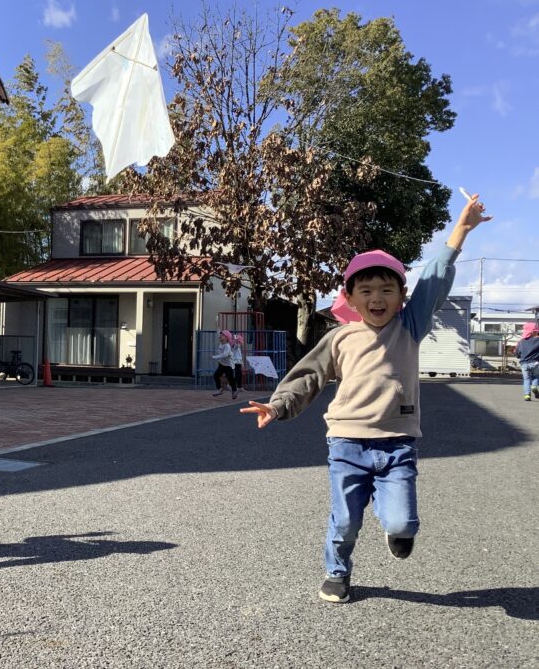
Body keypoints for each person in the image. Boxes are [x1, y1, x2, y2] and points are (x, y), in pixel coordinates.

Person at [241, 195, 491, 603]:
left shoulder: (409, 326)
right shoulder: (340, 337)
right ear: (351, 298)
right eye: (367, 290)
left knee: (403, 522)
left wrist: (460, 230)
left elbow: (434, 280)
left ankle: (397, 530)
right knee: (345, 521)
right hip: (347, 443)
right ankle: (337, 573)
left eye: (387, 290)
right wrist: (277, 405)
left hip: (398, 443)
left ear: (401, 296)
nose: (377, 298)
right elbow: (309, 375)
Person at [515, 322, 539, 402]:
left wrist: (519, 356)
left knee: (526, 379)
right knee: (536, 376)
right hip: (535, 363)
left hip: (524, 363)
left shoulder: (521, 342)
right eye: (536, 331)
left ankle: (527, 395)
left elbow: (517, 352)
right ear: (533, 332)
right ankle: (534, 386)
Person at [211, 330, 238, 398]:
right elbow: (218, 333)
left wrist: (214, 357)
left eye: (222, 335)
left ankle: (234, 391)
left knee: (230, 379)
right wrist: (218, 330)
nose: (220, 336)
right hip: (222, 364)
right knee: (216, 375)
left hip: (228, 365)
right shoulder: (221, 344)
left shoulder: (227, 346)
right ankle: (220, 390)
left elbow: (225, 355)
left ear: (226, 338)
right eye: (220, 335)